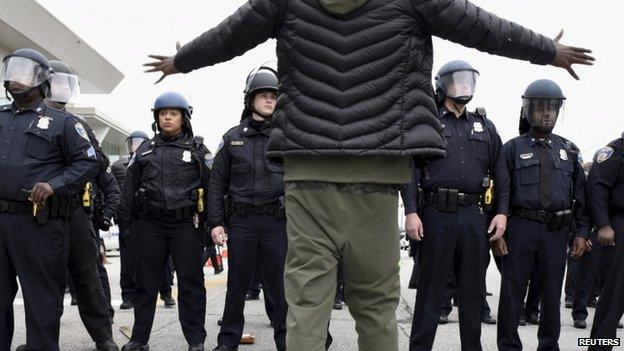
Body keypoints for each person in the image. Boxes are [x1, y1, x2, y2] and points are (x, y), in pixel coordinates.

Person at [145, 2, 594, 349]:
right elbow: (482, 26)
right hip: (378, 172)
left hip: (306, 171)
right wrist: (547, 51)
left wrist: (179, 62)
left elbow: (228, 35)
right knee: (376, 304)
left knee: (305, 302)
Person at [405, 60, 509, 350]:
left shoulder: (485, 127)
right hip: (436, 214)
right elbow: (410, 171)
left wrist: (501, 212)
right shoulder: (428, 123)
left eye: (468, 81)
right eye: (457, 81)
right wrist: (411, 211)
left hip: (474, 217)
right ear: (444, 85)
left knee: (472, 291)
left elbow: (500, 173)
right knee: (430, 291)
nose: (464, 86)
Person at [0, 48, 98, 351]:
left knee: (41, 295)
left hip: (37, 222)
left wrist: (55, 184)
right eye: (12, 71)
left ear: (42, 80)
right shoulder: (1, 117)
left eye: (23, 72)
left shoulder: (63, 123)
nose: (15, 79)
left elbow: (88, 162)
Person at [495, 79, 591, 350]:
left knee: (551, 296)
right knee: (512, 294)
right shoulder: (511, 149)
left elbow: (581, 200)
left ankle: (549, 346)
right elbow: (501, 193)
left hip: (556, 232)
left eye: (552, 108)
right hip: (520, 229)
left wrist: (582, 233)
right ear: (528, 110)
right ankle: (508, 346)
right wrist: (496, 236)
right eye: (541, 107)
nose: (547, 112)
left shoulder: (569, 151)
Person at [119, 92, 210, 351]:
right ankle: (139, 339)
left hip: (186, 226)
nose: (167, 117)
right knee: (146, 284)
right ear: (156, 118)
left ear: (184, 117)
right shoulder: (145, 150)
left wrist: (212, 224)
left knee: (191, 283)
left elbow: (213, 188)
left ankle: (196, 340)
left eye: (173, 113)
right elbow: (128, 189)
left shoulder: (198, 149)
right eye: (162, 114)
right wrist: (125, 225)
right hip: (150, 225)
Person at [208, 66, 287, 351]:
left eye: (274, 96)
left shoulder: (286, 137)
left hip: (277, 223)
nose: (269, 100)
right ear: (250, 100)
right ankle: (227, 342)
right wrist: (216, 222)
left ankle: (286, 342)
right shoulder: (232, 139)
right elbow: (216, 184)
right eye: (263, 95)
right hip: (242, 222)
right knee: (236, 287)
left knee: (280, 289)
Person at [45, 59, 119, 351]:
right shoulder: (27, 119)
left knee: (88, 276)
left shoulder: (79, 124)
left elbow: (99, 165)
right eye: (56, 83)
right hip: (37, 211)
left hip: (73, 209)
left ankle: (103, 336)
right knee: (46, 281)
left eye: (65, 83)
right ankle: (45, 340)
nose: (61, 89)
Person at [111, 130, 176, 310]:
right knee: (128, 259)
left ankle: (166, 292)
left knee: (160, 258)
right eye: (133, 142)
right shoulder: (118, 166)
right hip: (128, 218)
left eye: (140, 141)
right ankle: (128, 296)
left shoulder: (154, 160)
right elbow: (115, 192)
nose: (136, 145)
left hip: (150, 217)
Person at [587, 133, 624, 350]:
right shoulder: (613, 153)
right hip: (619, 226)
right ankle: (600, 346)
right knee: (614, 296)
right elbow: (596, 187)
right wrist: (603, 224)